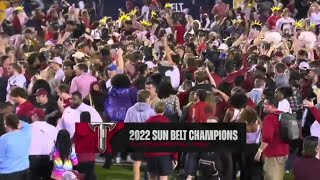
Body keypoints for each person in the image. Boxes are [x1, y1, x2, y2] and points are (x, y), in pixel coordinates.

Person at [255, 97, 289, 180]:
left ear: (272, 106)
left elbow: (267, 138)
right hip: (285, 151)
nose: (263, 106)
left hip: (273, 154)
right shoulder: (284, 115)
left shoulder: (269, 118)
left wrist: (259, 151)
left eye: (265, 104)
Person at [144, 101, 178, 180]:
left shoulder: (148, 122)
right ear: (164, 110)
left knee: (152, 177)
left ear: (154, 109)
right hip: (165, 155)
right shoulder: (168, 123)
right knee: (163, 177)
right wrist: (175, 157)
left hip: (151, 154)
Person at [0, 113, 31, 180]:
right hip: (25, 170)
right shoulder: (26, 134)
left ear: (6, 125)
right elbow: (26, 125)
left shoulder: (4, 138)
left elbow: (1, 157)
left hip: (8, 173)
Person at [29, 108, 57, 180]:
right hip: (48, 157)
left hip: (32, 157)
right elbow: (57, 143)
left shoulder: (27, 128)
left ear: (35, 116)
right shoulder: (52, 128)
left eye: (32, 115)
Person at [74, 111, 97, 180]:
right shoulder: (94, 130)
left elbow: (72, 141)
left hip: (80, 159)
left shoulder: (78, 130)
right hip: (91, 159)